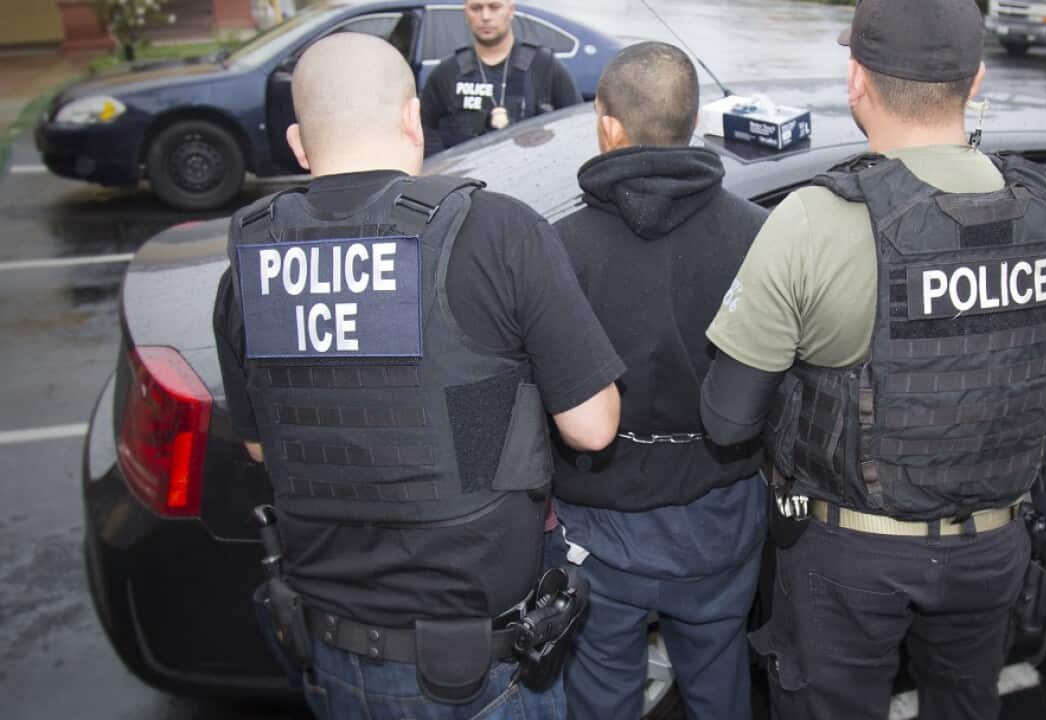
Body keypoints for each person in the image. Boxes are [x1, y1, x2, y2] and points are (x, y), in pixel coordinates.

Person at [212, 33, 624, 720]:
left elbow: (262, 447)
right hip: (478, 673)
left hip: (336, 660)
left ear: (298, 143)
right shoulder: (495, 233)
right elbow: (594, 424)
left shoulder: (250, 269)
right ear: (413, 118)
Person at [699, 1, 1046, 718]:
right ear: (977, 77)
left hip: (852, 561)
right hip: (994, 546)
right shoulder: (1042, 209)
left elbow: (726, 417)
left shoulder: (815, 219)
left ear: (856, 81)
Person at [546, 42, 770, 720]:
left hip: (599, 530)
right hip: (721, 521)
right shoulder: (762, 237)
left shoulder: (559, 250)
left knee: (601, 692)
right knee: (718, 680)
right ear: (692, 123)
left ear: (608, 126)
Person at [421, 0, 581, 154]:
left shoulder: (544, 66)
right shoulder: (446, 73)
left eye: (494, 7)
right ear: (465, 12)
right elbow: (424, 130)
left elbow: (574, 125)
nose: (485, 16)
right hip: (465, 177)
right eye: (476, 8)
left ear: (510, 10)